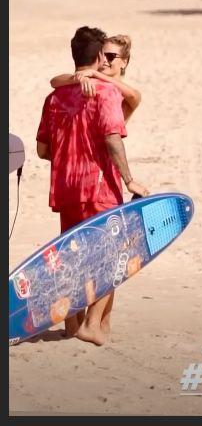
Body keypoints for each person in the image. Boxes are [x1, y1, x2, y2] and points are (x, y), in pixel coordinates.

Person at [36, 26, 149, 345]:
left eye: (114, 57)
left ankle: (84, 326)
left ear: (124, 62)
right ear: (98, 55)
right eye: (106, 55)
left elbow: (44, 150)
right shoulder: (107, 94)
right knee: (111, 257)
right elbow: (112, 138)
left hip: (65, 186)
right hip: (99, 185)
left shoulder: (56, 96)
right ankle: (90, 325)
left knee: (75, 256)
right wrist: (129, 179)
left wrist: (69, 153)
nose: (107, 62)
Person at [50, 34, 140, 124]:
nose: (104, 60)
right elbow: (54, 81)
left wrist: (95, 73)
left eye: (110, 56)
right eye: (102, 55)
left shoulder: (126, 94)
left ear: (124, 62)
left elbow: (134, 96)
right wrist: (80, 78)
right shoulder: (91, 81)